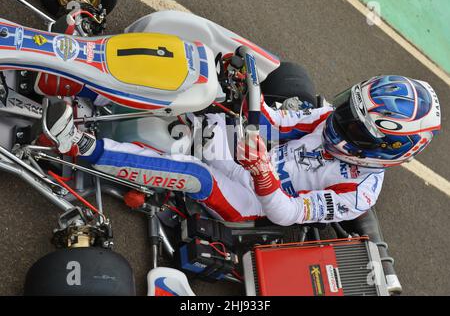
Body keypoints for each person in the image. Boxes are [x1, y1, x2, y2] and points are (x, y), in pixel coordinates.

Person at [45, 75, 441, 225]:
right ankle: (81, 84)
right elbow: (275, 122)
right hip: (246, 155)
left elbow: (287, 215)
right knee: (198, 93)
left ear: (386, 149)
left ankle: (83, 147)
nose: (339, 120)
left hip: (251, 199)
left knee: (193, 174)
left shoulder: (360, 193)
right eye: (345, 109)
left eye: (355, 125)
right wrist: (246, 87)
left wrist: (263, 173)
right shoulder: (331, 120)